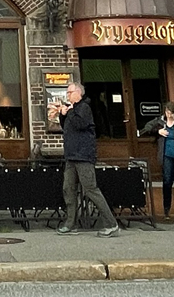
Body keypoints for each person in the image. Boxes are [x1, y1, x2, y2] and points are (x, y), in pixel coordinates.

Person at [58, 81, 119, 237]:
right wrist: (62, 115)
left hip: (83, 156)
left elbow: (80, 124)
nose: (67, 95)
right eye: (67, 92)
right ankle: (71, 224)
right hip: (71, 156)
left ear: (78, 93)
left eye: (70, 92)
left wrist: (69, 112)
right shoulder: (73, 110)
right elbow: (67, 127)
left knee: (90, 189)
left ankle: (111, 224)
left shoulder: (84, 107)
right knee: (68, 189)